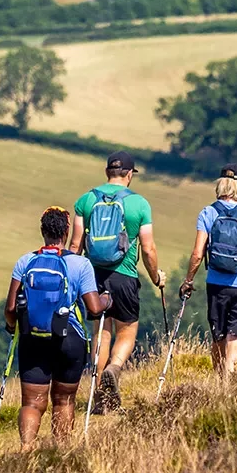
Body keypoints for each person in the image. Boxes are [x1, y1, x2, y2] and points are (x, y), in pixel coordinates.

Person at [4, 206, 111, 447]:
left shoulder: (26, 261)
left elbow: (11, 309)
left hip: (33, 337)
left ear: (42, 230)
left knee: (31, 402)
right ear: (67, 231)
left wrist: (12, 327)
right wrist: (107, 300)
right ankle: (60, 451)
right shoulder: (81, 264)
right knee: (64, 400)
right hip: (68, 337)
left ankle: (26, 449)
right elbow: (94, 308)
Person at [69, 151, 164, 412]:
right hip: (124, 276)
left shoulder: (86, 200)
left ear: (107, 172)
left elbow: (75, 245)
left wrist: (71, 279)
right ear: (130, 174)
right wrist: (156, 277)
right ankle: (115, 367)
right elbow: (148, 249)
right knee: (127, 330)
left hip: (92, 276)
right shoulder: (139, 204)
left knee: (101, 331)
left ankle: (100, 394)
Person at [179, 165, 237, 379]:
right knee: (235, 337)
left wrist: (188, 280)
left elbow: (197, 253)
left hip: (217, 284)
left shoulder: (208, 212)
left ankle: (219, 380)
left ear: (220, 184)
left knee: (218, 336)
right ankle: (230, 385)